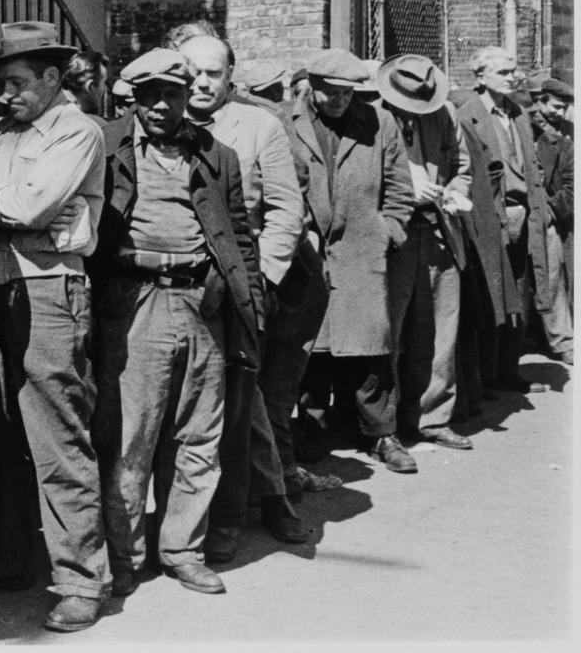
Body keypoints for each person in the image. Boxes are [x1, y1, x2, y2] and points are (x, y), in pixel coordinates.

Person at [0, 22, 108, 633]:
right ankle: (3, 561)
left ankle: (81, 580)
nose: (4, 94)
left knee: (57, 436)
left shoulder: (77, 130)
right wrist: (1, 204)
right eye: (1, 83)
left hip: (47, 293)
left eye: (16, 82)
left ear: (51, 76)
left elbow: (30, 205)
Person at [90, 47, 264, 600]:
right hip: (135, 300)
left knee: (198, 433)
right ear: (133, 98)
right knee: (131, 436)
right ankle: (124, 556)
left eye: (172, 94)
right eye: (150, 96)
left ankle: (183, 551)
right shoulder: (106, 145)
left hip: (202, 302)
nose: (161, 106)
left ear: (188, 95)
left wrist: (249, 306)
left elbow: (240, 236)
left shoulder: (217, 155)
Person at [176, 34, 308, 559]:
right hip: (178, 285)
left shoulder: (258, 126)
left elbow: (285, 210)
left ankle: (271, 497)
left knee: (241, 398)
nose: (201, 83)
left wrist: (261, 280)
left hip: (241, 282)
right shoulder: (160, 121)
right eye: (192, 71)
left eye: (214, 73)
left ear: (231, 76)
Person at [290, 49, 417, 472]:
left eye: (348, 93)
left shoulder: (378, 122)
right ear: (312, 86)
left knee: (370, 352)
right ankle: (312, 429)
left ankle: (381, 434)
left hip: (362, 251)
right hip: (309, 253)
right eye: (332, 92)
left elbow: (399, 187)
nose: (341, 100)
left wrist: (389, 230)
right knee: (312, 350)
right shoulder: (287, 122)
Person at [375, 55, 475, 450]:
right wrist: (406, 192)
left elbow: (462, 168)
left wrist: (454, 192)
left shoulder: (445, 114)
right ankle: (385, 426)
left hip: (438, 231)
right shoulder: (373, 117)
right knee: (390, 332)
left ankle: (433, 418)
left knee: (440, 331)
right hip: (394, 234)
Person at [451, 47, 551, 392]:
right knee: (490, 294)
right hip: (490, 217)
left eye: (514, 71)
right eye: (504, 72)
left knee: (520, 294)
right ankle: (484, 376)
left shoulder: (518, 113)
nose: (513, 77)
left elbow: (531, 165)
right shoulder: (467, 114)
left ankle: (509, 370)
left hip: (525, 215)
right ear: (480, 77)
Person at [530, 77, 574, 364]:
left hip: (548, 215)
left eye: (563, 108)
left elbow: (571, 181)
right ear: (540, 101)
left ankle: (562, 340)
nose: (560, 112)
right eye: (556, 106)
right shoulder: (525, 126)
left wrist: (551, 209)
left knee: (552, 277)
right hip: (519, 211)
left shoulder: (565, 135)